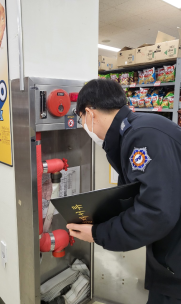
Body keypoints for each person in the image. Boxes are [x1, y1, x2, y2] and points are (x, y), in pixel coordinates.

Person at [67, 79, 181, 304]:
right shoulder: (138, 129)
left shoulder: (141, 137)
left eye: (81, 120)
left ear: (90, 114)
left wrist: (99, 234)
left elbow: (155, 213)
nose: (84, 127)